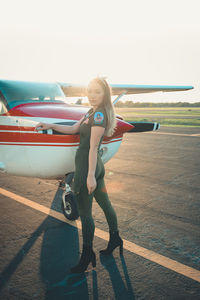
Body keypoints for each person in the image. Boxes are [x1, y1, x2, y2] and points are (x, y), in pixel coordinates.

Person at [35, 77, 123, 273]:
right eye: (90, 91)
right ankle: (115, 238)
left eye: (97, 92)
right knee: (106, 204)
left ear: (105, 95)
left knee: (85, 213)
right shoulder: (91, 112)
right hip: (95, 166)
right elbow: (74, 129)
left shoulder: (98, 115)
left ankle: (87, 254)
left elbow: (92, 147)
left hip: (87, 168)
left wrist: (89, 175)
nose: (92, 95)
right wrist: (51, 126)